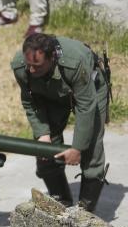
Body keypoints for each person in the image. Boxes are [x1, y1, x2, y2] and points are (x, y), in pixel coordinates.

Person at [11, 33, 109, 212]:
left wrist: (77, 148)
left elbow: (86, 106)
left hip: (90, 89)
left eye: (37, 66)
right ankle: (61, 201)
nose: (31, 71)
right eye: (29, 65)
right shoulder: (21, 65)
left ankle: (85, 211)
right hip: (51, 94)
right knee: (44, 151)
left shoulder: (74, 63)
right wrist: (43, 134)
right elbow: (30, 101)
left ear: (52, 58)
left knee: (92, 148)